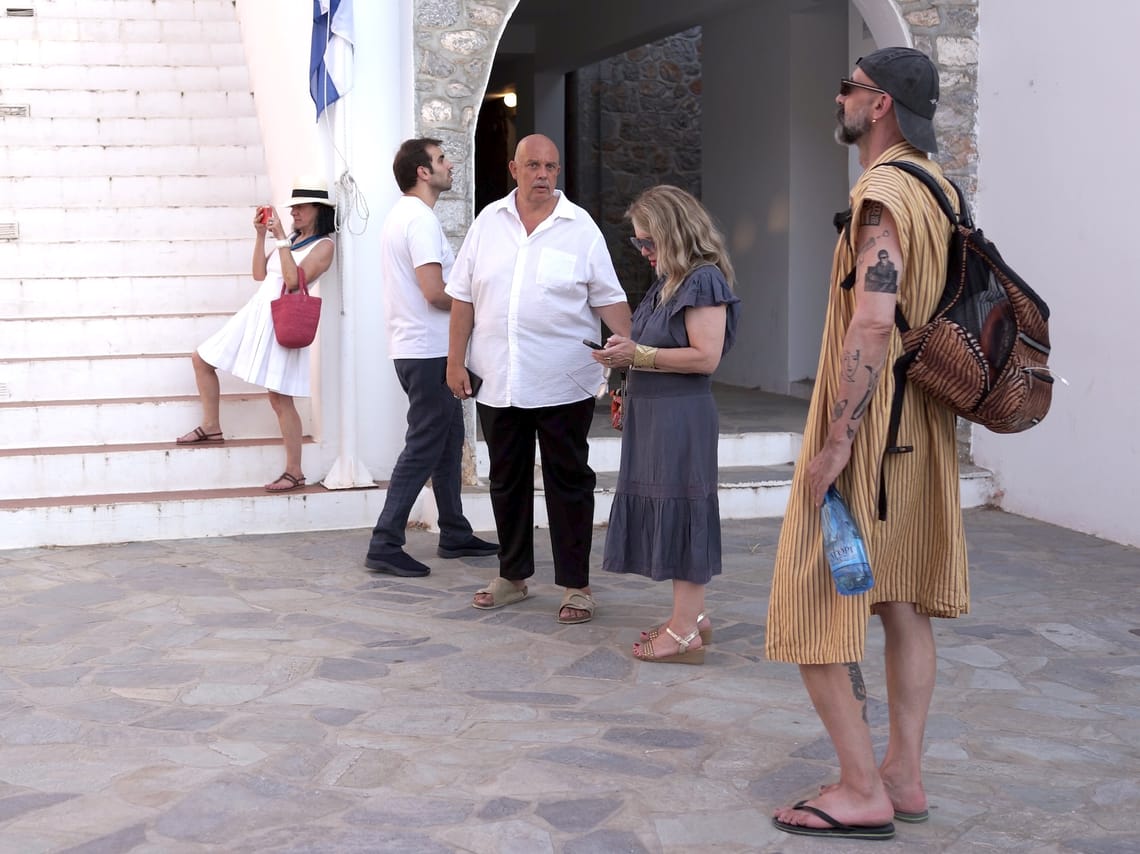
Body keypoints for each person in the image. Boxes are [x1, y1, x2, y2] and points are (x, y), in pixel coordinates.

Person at [765, 47, 968, 842]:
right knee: (902, 601)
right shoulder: (939, 188)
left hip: (874, 431)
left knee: (813, 599)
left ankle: (859, 787)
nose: (840, 98)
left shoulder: (881, 193)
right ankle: (903, 776)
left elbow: (875, 317)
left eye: (847, 88)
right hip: (924, 424)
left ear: (878, 104)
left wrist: (836, 439)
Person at [444, 134, 632, 624]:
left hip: (562, 381)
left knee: (569, 482)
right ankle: (512, 576)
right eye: (533, 165)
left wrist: (636, 354)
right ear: (514, 168)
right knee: (506, 481)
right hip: (497, 378)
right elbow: (462, 297)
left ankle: (577, 586)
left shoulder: (580, 228)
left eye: (551, 166)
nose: (543, 175)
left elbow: (608, 298)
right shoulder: (488, 223)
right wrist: (453, 360)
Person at [592, 186, 740, 664]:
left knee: (684, 513)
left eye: (648, 243)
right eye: (638, 245)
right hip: (657, 414)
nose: (645, 252)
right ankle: (692, 617)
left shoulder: (703, 281)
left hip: (682, 417)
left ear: (674, 233)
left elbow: (705, 356)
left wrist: (640, 354)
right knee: (674, 511)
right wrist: (625, 352)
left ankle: (683, 631)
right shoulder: (670, 282)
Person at [364, 138, 498, 578]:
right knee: (425, 443)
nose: (449, 165)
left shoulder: (406, 216)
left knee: (447, 440)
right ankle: (385, 542)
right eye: (441, 159)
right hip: (428, 352)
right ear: (423, 171)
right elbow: (435, 292)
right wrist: (480, 301)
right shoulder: (418, 220)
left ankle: (455, 532)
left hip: (421, 350)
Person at [176, 178, 336, 493]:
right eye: (293, 208)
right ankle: (212, 426)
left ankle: (295, 471)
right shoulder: (291, 237)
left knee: (279, 397)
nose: (295, 214)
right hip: (257, 313)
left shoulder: (324, 246)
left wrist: (280, 239)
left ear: (319, 210)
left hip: (284, 318)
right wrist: (262, 235)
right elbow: (260, 275)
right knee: (202, 358)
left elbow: (292, 282)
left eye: (301, 208)